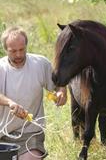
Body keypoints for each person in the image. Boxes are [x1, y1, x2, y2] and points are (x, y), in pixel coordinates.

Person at [0, 26, 67, 160]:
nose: (18, 55)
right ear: (5, 49)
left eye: (22, 49)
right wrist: (10, 103)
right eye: (13, 51)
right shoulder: (1, 68)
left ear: (26, 46)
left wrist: (61, 92)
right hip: (2, 133)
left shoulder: (40, 63)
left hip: (31, 133)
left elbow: (59, 85)